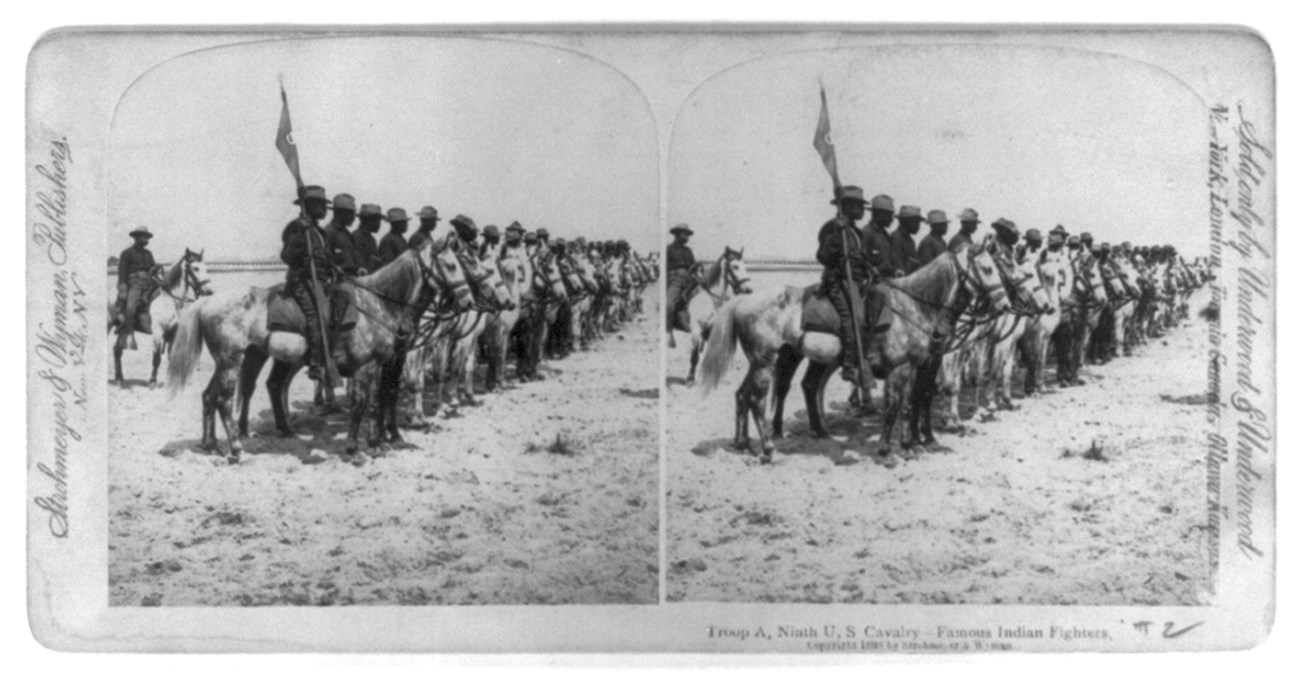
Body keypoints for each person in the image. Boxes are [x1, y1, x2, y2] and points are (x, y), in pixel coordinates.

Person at [279, 185, 335, 381]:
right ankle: (315, 363)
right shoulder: (295, 227)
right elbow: (286, 257)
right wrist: (298, 235)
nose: (325, 210)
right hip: (302, 280)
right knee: (320, 316)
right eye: (320, 205)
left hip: (322, 281)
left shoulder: (320, 231)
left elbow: (326, 260)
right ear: (308, 206)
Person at [815, 185, 871, 382]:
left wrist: (871, 270)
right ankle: (848, 364)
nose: (862, 210)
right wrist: (834, 237)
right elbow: (822, 257)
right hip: (837, 281)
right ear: (847, 206)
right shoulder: (832, 228)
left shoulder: (857, 232)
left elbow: (861, 260)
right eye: (858, 206)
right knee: (853, 317)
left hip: (856, 282)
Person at [115, 226, 158, 352]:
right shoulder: (127, 253)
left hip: (149, 283)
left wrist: (155, 269)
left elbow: (152, 268)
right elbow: (122, 271)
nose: (146, 239)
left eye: (146, 237)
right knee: (130, 307)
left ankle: (149, 324)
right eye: (143, 237)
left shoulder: (148, 253)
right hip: (135, 283)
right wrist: (123, 289)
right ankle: (128, 334)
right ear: (136, 238)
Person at [664, 223, 695, 348]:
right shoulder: (669, 249)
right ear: (676, 234)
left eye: (688, 235)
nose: (686, 237)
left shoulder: (688, 251)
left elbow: (693, 266)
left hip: (690, 280)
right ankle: (668, 331)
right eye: (684, 234)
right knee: (669, 304)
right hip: (675, 280)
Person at [325, 193, 360, 276]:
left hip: (351, 279)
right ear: (340, 213)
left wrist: (358, 269)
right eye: (351, 213)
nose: (354, 218)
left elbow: (353, 259)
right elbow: (326, 260)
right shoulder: (329, 232)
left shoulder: (347, 234)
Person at [862, 194, 897, 276]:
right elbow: (861, 260)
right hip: (874, 282)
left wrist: (895, 271)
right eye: (889, 215)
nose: (892, 219)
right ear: (879, 214)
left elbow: (890, 261)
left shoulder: (885, 235)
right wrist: (872, 269)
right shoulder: (866, 233)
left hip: (888, 280)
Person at [890, 204, 923, 275]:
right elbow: (898, 267)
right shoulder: (896, 238)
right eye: (916, 222)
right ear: (907, 221)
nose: (919, 226)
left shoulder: (910, 240)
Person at [352, 203, 383, 274]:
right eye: (377, 220)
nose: (379, 224)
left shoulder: (371, 239)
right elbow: (360, 264)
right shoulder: (357, 237)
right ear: (369, 221)